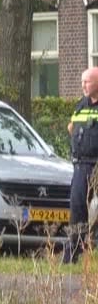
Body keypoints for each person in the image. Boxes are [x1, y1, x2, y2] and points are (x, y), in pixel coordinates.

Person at [65, 67, 98, 263]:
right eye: (82, 82)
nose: (83, 86)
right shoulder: (81, 105)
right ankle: (73, 253)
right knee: (77, 209)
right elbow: (72, 127)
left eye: (87, 82)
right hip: (82, 165)